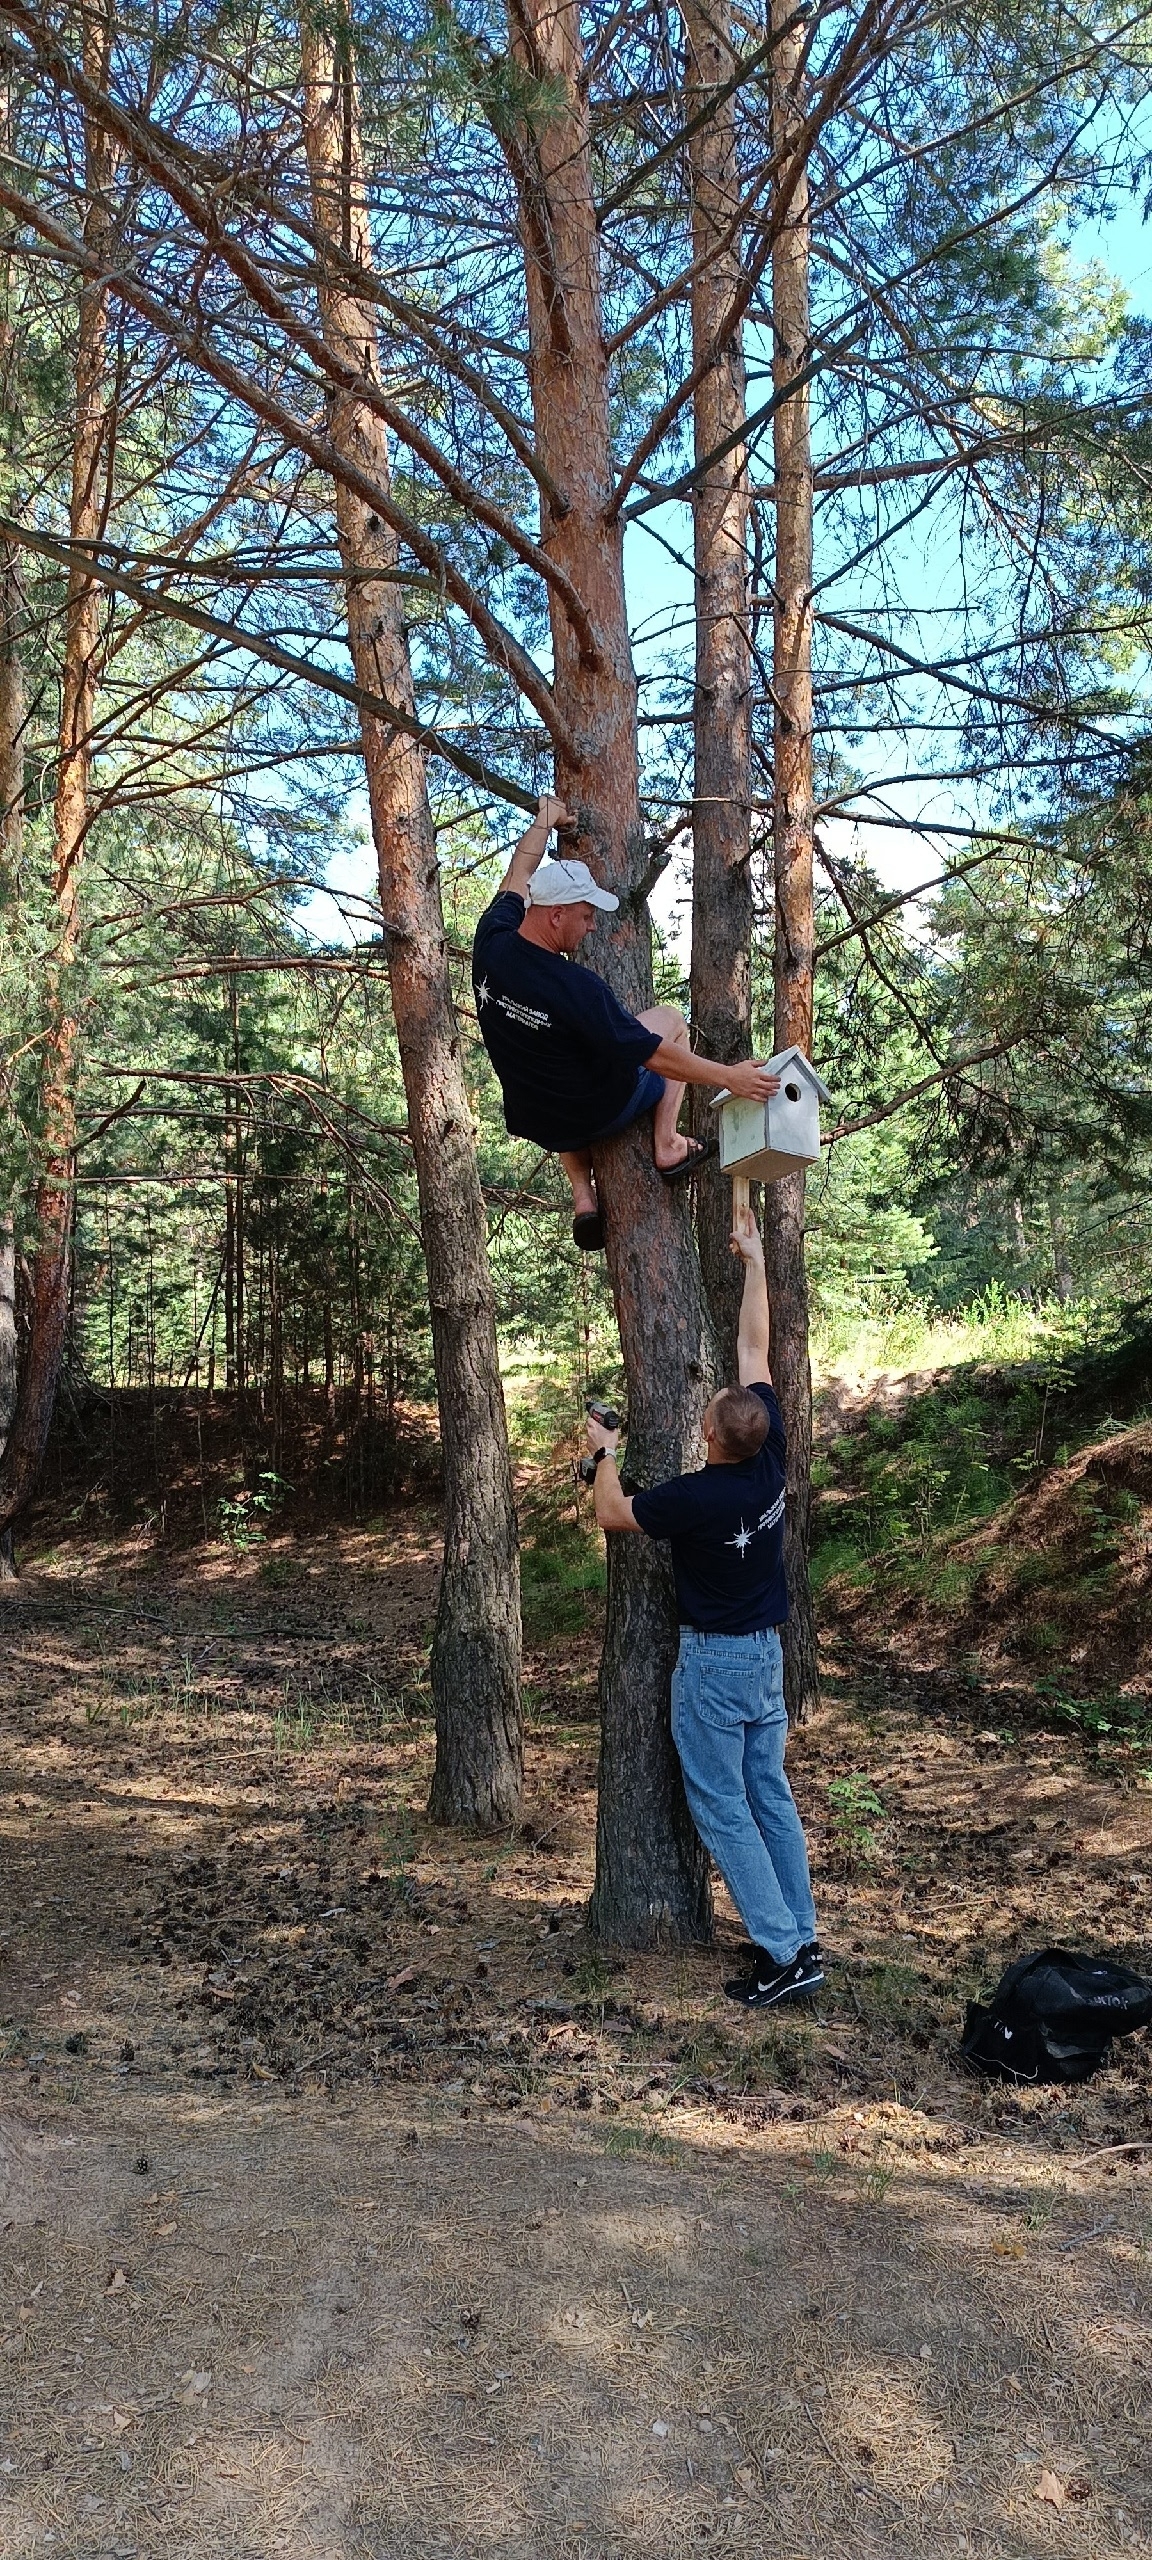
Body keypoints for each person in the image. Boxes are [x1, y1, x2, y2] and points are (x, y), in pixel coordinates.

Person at [584, 1207, 822, 2008]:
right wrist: (755, 1261)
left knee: (723, 1807)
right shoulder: (768, 1460)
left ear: (713, 1435)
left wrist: (601, 1454)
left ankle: (784, 1951)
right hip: (766, 1658)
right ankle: (803, 1936)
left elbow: (614, 1516)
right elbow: (755, 1347)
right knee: (770, 1795)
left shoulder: (696, 1495)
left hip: (719, 1664)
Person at [472, 794, 781, 1249]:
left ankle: (583, 1197)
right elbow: (653, 1053)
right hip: (599, 1109)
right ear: (556, 915)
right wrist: (728, 1077)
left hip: (537, 1118)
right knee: (672, 1021)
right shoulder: (574, 987)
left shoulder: (492, 940)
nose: (592, 926)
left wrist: (547, 817)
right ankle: (668, 1143)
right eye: (586, 914)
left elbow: (519, 872)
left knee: (552, 1065)